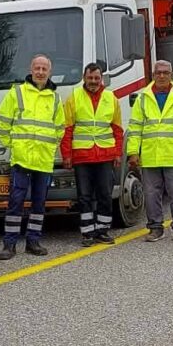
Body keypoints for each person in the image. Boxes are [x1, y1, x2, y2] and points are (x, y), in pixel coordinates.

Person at [0, 54, 65, 260]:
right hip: (22, 159)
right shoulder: (17, 92)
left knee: (39, 204)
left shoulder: (55, 98)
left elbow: (59, 128)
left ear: (49, 72)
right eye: (37, 68)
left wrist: (51, 149)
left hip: (43, 160)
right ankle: (9, 244)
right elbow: (3, 121)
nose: (41, 72)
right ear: (31, 70)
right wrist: (13, 145)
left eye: (44, 69)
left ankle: (33, 241)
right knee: (15, 202)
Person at [127, 60, 173, 243]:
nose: (162, 76)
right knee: (151, 195)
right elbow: (135, 127)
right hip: (151, 156)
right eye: (159, 73)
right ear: (153, 75)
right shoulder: (143, 97)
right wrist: (133, 152)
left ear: (171, 74)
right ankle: (155, 228)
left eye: (166, 72)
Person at [62, 62, 123, 246]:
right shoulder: (74, 97)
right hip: (82, 155)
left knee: (105, 194)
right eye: (90, 78)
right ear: (84, 77)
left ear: (102, 78)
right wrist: (66, 155)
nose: (93, 81)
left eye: (97, 78)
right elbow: (67, 130)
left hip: (105, 154)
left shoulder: (111, 98)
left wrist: (118, 153)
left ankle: (102, 231)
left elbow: (117, 129)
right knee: (84, 196)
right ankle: (87, 232)